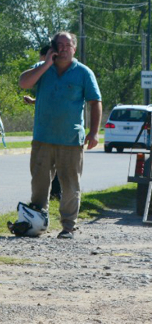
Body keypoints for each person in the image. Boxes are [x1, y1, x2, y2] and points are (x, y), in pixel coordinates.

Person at [19, 31, 102, 239]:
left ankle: (68, 226)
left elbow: (95, 103)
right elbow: (24, 83)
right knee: (39, 184)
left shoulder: (83, 73)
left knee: (70, 185)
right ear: (53, 48)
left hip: (71, 140)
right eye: (59, 45)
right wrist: (46, 64)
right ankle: (37, 222)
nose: (63, 48)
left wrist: (94, 133)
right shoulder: (43, 69)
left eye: (68, 45)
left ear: (74, 48)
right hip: (42, 139)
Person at [22, 46, 61, 200]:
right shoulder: (44, 72)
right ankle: (49, 194)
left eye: (41, 58)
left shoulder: (58, 73)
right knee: (46, 166)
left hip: (57, 126)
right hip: (45, 128)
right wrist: (33, 101)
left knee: (56, 163)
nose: (39, 62)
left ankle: (56, 192)